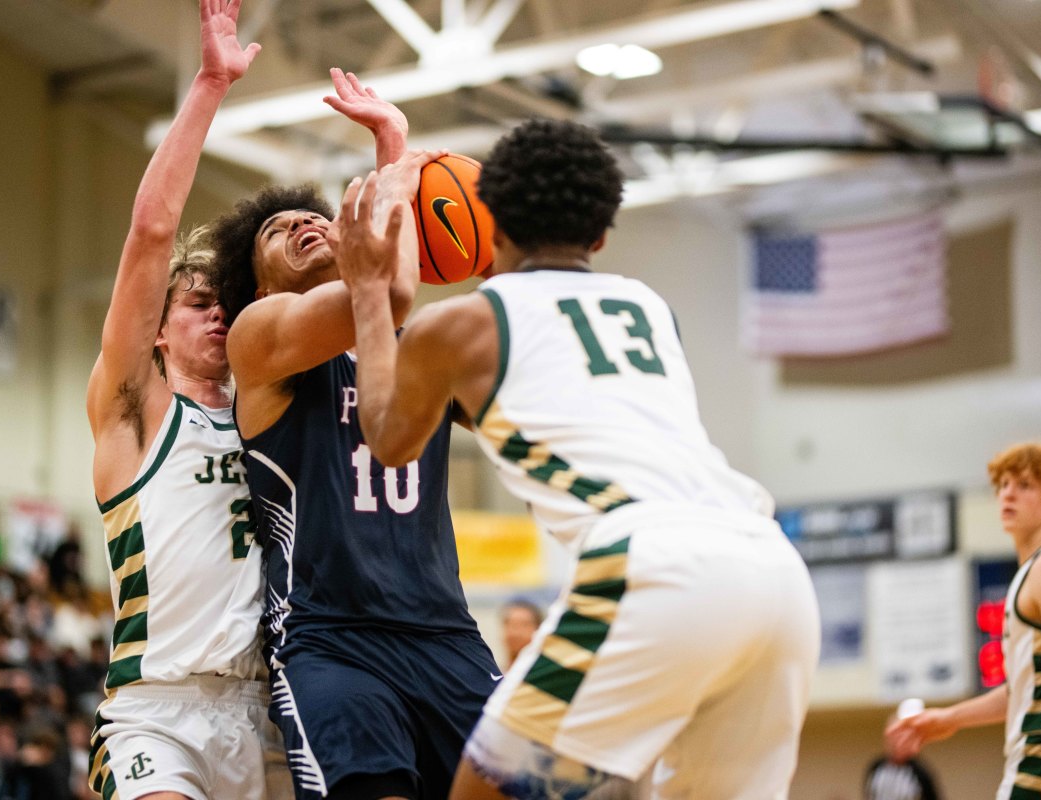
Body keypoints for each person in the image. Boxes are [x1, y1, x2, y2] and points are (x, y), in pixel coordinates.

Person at [331, 118, 822, 799]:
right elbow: (545, 403)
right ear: (599, 235)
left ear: (490, 220)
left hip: (656, 564)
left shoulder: (464, 324)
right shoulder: (649, 308)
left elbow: (387, 438)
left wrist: (366, 289)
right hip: (774, 572)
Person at [208, 91, 499, 800]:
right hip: (334, 641)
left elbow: (501, 398)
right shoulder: (260, 338)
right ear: (256, 280)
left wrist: (500, 259)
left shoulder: (413, 348)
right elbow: (386, 294)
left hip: (446, 633)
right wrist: (395, 159)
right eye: (277, 229)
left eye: (312, 216)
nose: (303, 222)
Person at [83, 2, 288, 798]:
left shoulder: (271, 417)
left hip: (266, 706)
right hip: (158, 710)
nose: (216, 313)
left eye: (225, 304)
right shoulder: (137, 413)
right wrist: (209, 85)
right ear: (157, 334)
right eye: (196, 302)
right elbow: (151, 234)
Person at [887, 442, 1041, 800]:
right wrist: (950, 718)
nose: (1008, 494)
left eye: (1024, 485)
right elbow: (1026, 688)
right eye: (1004, 484)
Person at [864, 716, 942, 800]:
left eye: (900, 736)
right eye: (892, 736)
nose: (895, 741)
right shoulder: (876, 767)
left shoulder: (920, 772)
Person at [499, 598, 543, 671]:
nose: (515, 632)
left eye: (524, 625)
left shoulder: (542, 676)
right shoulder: (493, 677)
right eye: (510, 624)